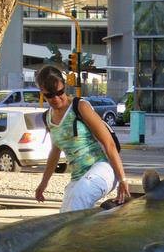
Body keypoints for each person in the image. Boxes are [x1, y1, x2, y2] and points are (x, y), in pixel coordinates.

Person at [34, 65, 130, 212]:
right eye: (50, 95)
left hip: (102, 169)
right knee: (65, 219)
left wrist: (123, 179)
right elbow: (55, 151)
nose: (56, 98)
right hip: (78, 177)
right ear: (42, 92)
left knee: (79, 197)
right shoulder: (47, 117)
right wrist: (43, 183)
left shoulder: (80, 106)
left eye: (60, 92)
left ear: (64, 86)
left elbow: (109, 144)